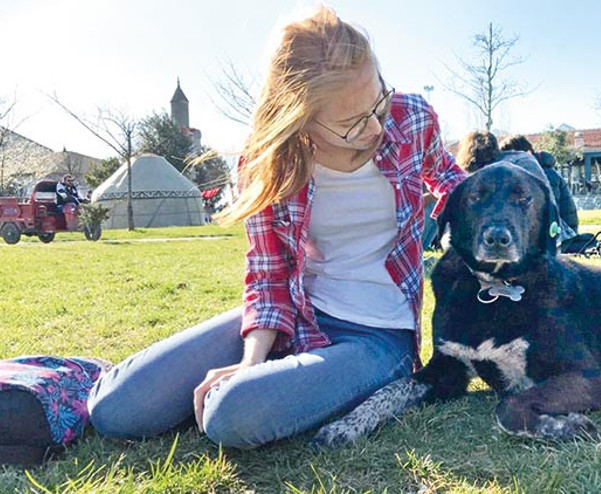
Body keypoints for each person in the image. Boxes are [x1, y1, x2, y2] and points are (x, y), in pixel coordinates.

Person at [87, 7, 466, 449]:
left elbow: (456, 185)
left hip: (378, 337)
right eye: (353, 123)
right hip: (297, 314)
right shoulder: (269, 163)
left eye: (378, 100)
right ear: (299, 118)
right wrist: (252, 359)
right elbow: (268, 273)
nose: (376, 127)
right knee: (113, 411)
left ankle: (290, 383)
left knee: (231, 416)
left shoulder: (412, 119)